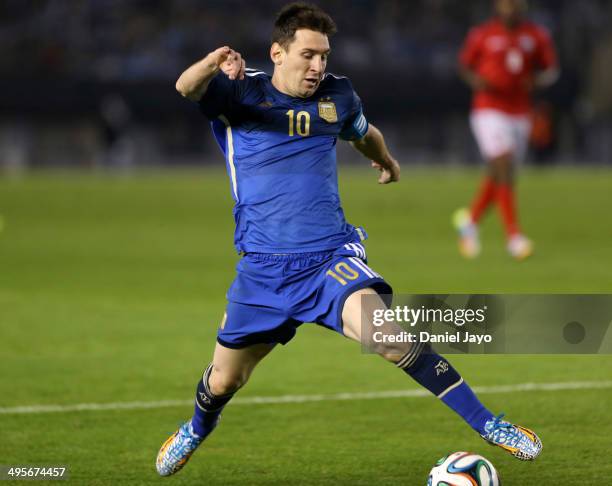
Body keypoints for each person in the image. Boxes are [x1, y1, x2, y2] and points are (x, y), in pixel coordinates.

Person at [156, 3, 542, 477]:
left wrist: (386, 160)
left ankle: (490, 424)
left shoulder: (337, 96)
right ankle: (195, 429)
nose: (318, 66)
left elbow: (362, 133)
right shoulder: (239, 92)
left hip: (327, 259)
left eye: (324, 56)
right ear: (278, 53)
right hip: (262, 268)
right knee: (224, 380)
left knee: (388, 338)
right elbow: (184, 87)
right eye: (308, 55)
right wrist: (214, 62)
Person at [454, 0, 559, 260]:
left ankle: (471, 222)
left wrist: (535, 80)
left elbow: (551, 70)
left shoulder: (536, 35)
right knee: (503, 164)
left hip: (520, 112)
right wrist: (476, 79)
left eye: (515, 4)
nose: (510, 8)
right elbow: (464, 65)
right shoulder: (482, 34)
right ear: (497, 6)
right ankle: (514, 237)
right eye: (506, 4)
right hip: (488, 109)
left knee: (502, 173)